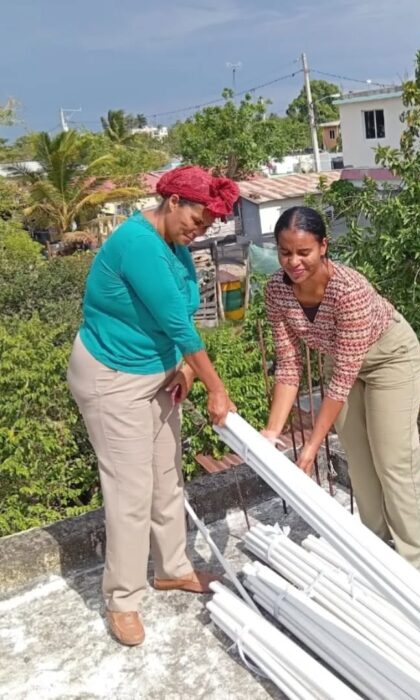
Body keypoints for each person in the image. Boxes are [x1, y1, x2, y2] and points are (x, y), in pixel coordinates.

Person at [67, 165, 239, 646]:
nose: (198, 231)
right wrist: (216, 387)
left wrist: (185, 370)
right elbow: (177, 323)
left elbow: (183, 312)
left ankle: (172, 569)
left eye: (206, 227)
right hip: (113, 378)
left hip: (159, 375)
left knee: (166, 474)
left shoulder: (175, 245)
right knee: (130, 490)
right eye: (196, 221)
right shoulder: (138, 244)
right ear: (172, 202)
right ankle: (122, 599)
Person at [262, 206, 420, 567]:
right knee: (360, 463)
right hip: (341, 359)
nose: (293, 262)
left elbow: (338, 386)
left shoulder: (349, 289)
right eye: (285, 252)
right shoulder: (275, 290)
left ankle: (412, 564)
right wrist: (271, 432)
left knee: (393, 460)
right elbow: (288, 365)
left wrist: (311, 447)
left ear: (324, 246)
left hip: (389, 357)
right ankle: (377, 551)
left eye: (303, 252)